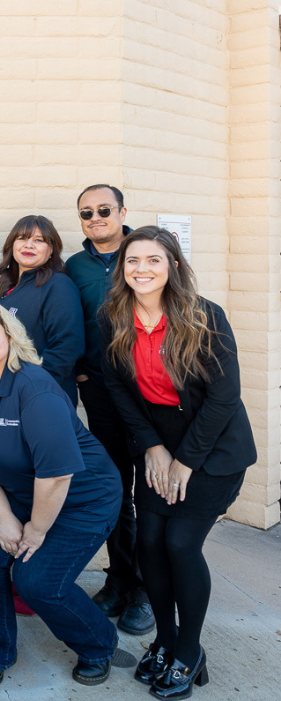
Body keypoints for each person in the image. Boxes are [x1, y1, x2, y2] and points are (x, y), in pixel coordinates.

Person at [100, 226, 255, 698]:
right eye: (132, 261)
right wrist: (153, 447)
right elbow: (119, 391)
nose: (141, 269)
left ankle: (190, 650)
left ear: (172, 267)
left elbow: (225, 396)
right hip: (157, 449)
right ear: (121, 269)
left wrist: (185, 460)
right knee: (149, 542)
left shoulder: (203, 315)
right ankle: (165, 642)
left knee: (181, 543)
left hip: (213, 450)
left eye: (153, 260)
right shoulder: (113, 319)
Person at [0, 299, 122, 689]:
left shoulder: (35, 388)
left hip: (81, 499)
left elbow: (57, 477)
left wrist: (36, 531)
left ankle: (98, 644)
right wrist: (6, 518)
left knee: (37, 581)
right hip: (18, 493)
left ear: (10, 335)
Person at [64, 185, 153, 635]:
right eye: (86, 212)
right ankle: (119, 580)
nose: (95, 217)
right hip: (100, 393)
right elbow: (68, 320)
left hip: (150, 394)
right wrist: (81, 370)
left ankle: (147, 590)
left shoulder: (145, 255)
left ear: (122, 211)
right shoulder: (75, 266)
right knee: (116, 489)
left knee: (153, 493)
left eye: (104, 210)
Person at [0, 215, 84, 404]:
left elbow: (66, 349)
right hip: (3, 392)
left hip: (41, 395)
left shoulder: (58, 286)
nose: (29, 245)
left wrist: (29, 388)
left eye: (38, 240)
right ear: (12, 245)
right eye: (22, 238)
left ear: (51, 250)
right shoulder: (2, 287)